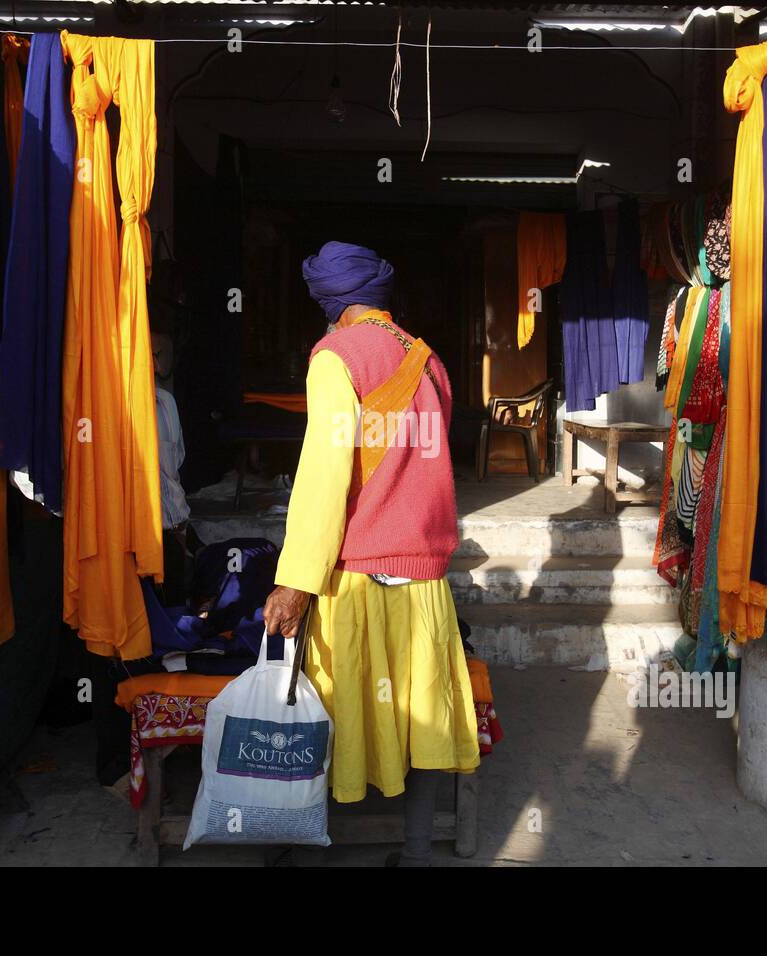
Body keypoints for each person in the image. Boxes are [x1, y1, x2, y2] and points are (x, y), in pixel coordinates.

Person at [262, 241, 480, 866]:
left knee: (325, 717)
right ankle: (415, 854)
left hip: (356, 578)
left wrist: (296, 580)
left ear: (331, 304)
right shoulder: (430, 360)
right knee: (424, 722)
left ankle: (309, 856)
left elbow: (324, 477)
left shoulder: (335, 358)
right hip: (425, 582)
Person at [152, 330, 191, 606]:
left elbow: (176, 461)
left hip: (174, 530)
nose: (153, 363)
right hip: (141, 540)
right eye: (147, 355)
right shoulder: (112, 409)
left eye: (157, 355)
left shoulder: (166, 402)